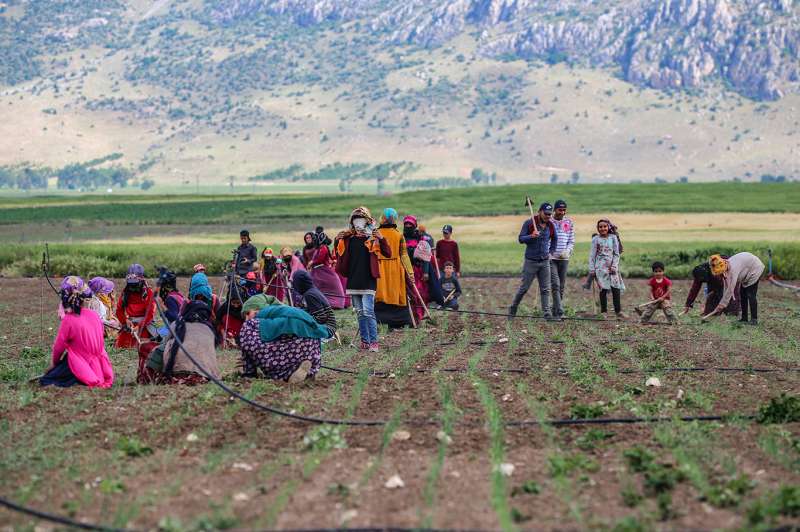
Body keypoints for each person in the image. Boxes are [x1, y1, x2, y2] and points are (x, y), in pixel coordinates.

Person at [140, 272, 221, 385]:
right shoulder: (208, 330)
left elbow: (173, 322)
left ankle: (146, 379)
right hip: (204, 372)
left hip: (178, 368)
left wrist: (163, 309)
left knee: (154, 346)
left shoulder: (174, 305)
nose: (200, 297)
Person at [41, 276, 114, 388]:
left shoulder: (69, 320)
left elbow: (59, 347)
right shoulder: (94, 315)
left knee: (46, 380)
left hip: (81, 364)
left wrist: (55, 365)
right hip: (101, 367)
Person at [336, 206, 391, 351]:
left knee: (368, 311)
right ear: (352, 222)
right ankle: (364, 341)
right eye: (355, 220)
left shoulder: (372, 238)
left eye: (361, 220)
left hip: (368, 279)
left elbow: (388, 252)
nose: (358, 223)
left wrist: (381, 238)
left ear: (367, 221)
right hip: (354, 280)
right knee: (360, 313)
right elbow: (338, 255)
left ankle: (374, 342)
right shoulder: (348, 238)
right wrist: (337, 240)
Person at [238, 295, 330, 382]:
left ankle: (282, 374)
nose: (246, 318)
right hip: (312, 350)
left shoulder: (261, 316)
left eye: (247, 313)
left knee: (247, 327)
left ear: (258, 309)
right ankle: (303, 372)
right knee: (285, 341)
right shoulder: (289, 310)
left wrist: (249, 371)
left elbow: (250, 344)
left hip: (292, 351)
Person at [509, 202, 560, 320]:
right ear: (539, 212)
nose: (548, 216)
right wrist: (531, 236)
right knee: (524, 288)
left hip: (545, 261)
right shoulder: (529, 223)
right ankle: (513, 308)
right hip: (530, 261)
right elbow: (520, 239)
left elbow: (555, 239)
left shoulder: (551, 226)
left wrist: (551, 251)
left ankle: (547, 314)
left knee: (545, 289)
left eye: (550, 214)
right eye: (546, 213)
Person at [375, 208, 416, 328]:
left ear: (382, 218)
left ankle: (380, 320)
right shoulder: (398, 235)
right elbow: (404, 255)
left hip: (380, 267)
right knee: (395, 293)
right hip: (395, 268)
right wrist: (410, 272)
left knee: (381, 293)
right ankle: (398, 321)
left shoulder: (376, 234)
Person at [704, 253, 765, 325]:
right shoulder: (725, 264)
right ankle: (744, 318)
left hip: (755, 268)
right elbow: (726, 286)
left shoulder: (733, 269)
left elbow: (730, 288)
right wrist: (722, 303)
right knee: (743, 294)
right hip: (747, 268)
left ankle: (754, 320)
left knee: (750, 294)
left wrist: (722, 304)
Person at [588, 219, 627, 320]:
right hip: (600, 268)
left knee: (616, 289)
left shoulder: (613, 238)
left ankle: (618, 311)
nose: (603, 228)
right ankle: (604, 312)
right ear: (598, 228)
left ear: (608, 227)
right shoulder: (595, 239)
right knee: (603, 289)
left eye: (605, 226)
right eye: (600, 227)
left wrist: (614, 266)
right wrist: (592, 269)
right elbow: (592, 255)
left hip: (612, 267)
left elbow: (616, 254)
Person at [115, 264, 156, 348]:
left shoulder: (148, 293)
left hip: (144, 324)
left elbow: (150, 314)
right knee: (122, 345)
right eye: (130, 284)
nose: (132, 287)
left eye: (135, 284)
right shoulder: (125, 292)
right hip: (130, 325)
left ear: (141, 280)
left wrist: (139, 326)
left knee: (142, 345)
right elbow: (119, 310)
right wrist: (125, 320)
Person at [305, 231, 348, 309]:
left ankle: (334, 304)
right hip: (318, 271)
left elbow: (320, 259)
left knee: (322, 287)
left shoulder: (323, 248)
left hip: (323, 272)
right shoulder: (321, 248)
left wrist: (311, 263)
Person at [293, 270, 337, 337]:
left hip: (327, 329)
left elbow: (321, 318)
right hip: (328, 327)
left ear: (299, 283)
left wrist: (303, 319)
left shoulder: (309, 295)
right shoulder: (312, 290)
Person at [550, 199, 574, 308]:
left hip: (564, 258)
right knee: (555, 284)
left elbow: (571, 240)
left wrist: (567, 251)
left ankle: (556, 308)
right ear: (555, 210)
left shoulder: (569, 222)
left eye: (564, 210)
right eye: (560, 210)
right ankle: (558, 309)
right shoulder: (548, 221)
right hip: (551, 258)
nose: (562, 212)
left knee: (561, 286)